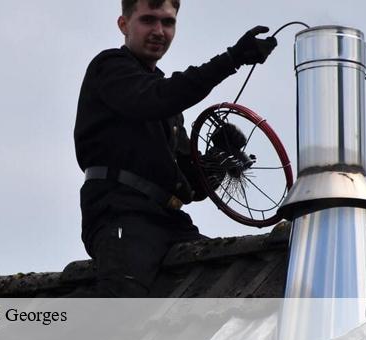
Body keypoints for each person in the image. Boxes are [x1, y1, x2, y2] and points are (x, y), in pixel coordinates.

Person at [73, 0, 276, 297]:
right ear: (123, 24)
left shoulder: (165, 103)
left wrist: (220, 156)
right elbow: (155, 99)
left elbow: (192, 184)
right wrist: (230, 59)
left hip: (168, 223)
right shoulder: (110, 68)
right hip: (120, 217)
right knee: (118, 321)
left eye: (167, 23)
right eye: (148, 20)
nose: (159, 31)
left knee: (226, 277)